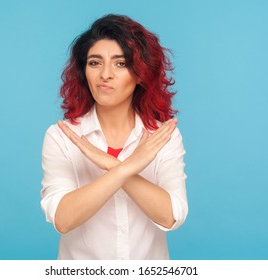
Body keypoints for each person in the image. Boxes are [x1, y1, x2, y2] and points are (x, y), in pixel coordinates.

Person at [40, 14, 188, 260]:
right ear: (84, 71)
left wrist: (111, 165)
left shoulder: (162, 136)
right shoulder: (62, 136)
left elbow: (172, 215)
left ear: (140, 73)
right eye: (95, 63)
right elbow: (62, 219)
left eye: (120, 64)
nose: (105, 74)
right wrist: (124, 169)